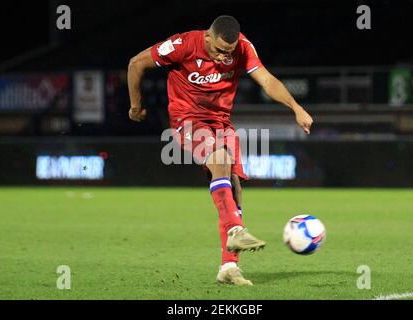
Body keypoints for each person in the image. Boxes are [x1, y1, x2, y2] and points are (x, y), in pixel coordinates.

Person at [127, 15, 313, 286]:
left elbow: (267, 80)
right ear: (207, 37)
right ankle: (236, 229)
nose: (224, 56)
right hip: (187, 118)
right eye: (218, 50)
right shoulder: (184, 44)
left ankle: (229, 266)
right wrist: (135, 106)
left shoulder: (243, 48)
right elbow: (136, 63)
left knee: (234, 188)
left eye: (229, 51)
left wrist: (296, 108)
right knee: (220, 160)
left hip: (221, 122)